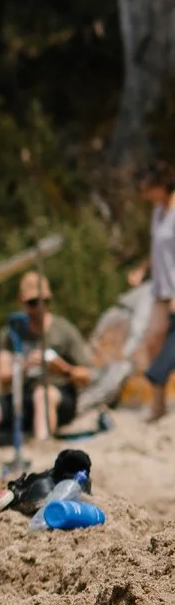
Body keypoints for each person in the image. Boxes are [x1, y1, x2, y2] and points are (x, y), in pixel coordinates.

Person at [0, 271, 94, 445]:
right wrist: (24, 367)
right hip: (22, 398)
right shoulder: (12, 333)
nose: (39, 308)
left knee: (42, 395)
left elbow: (87, 376)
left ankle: (42, 450)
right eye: (33, 303)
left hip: (57, 398)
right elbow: (4, 376)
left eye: (44, 302)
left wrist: (64, 369)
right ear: (22, 302)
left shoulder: (64, 330)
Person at [135, 165, 175, 422]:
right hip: (160, 289)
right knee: (153, 342)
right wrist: (142, 269)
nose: (144, 195)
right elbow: (158, 249)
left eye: (147, 189)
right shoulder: (158, 211)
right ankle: (158, 406)